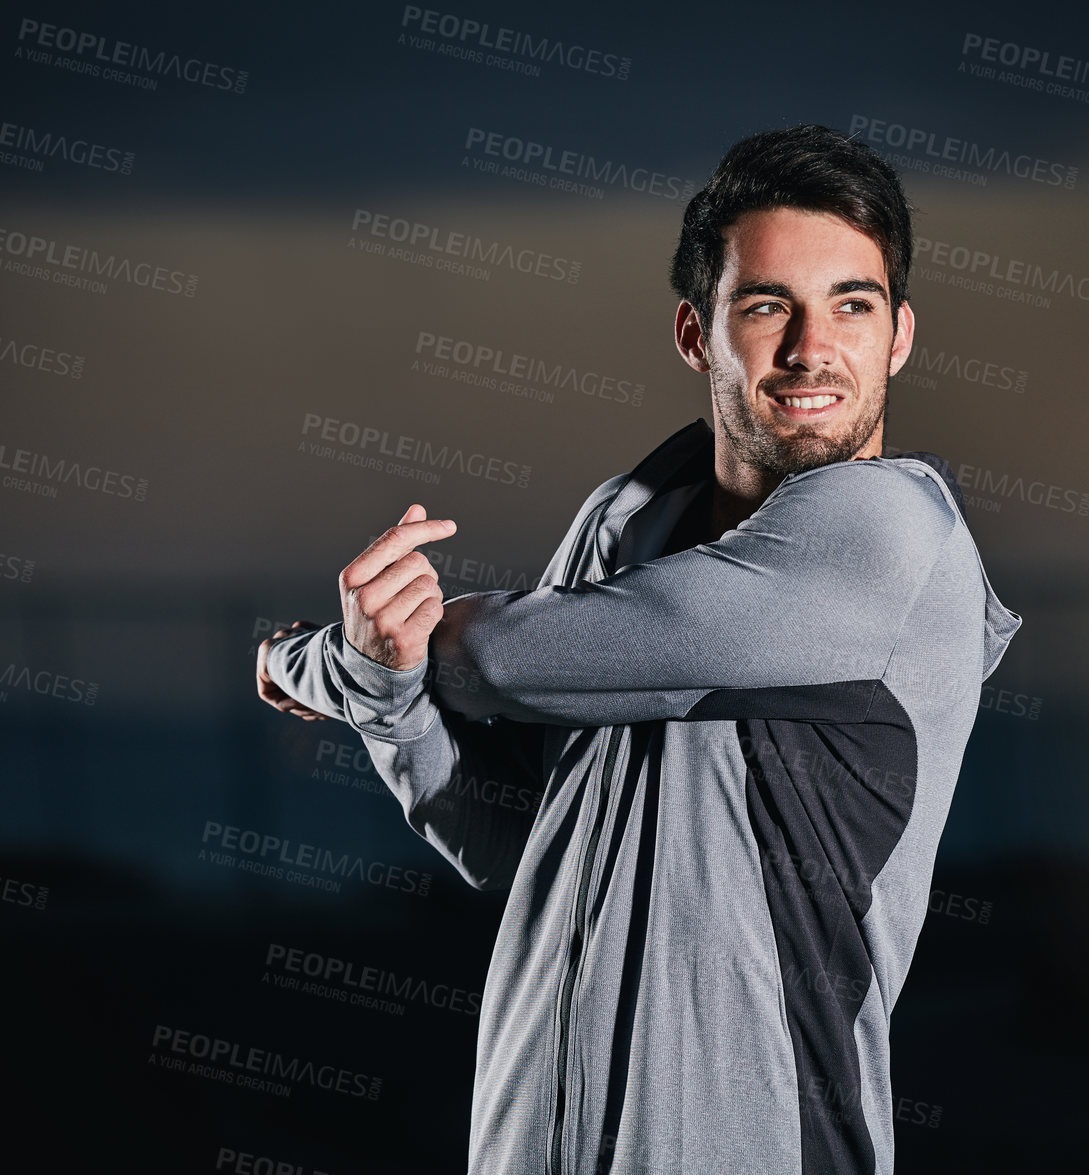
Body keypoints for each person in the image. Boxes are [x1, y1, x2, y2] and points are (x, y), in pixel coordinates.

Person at [256, 123, 1021, 1175]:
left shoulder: (885, 538)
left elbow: (493, 661)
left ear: (897, 335)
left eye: (853, 303)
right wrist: (383, 695)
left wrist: (319, 660)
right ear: (693, 333)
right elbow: (522, 847)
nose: (811, 348)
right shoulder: (623, 527)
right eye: (765, 306)